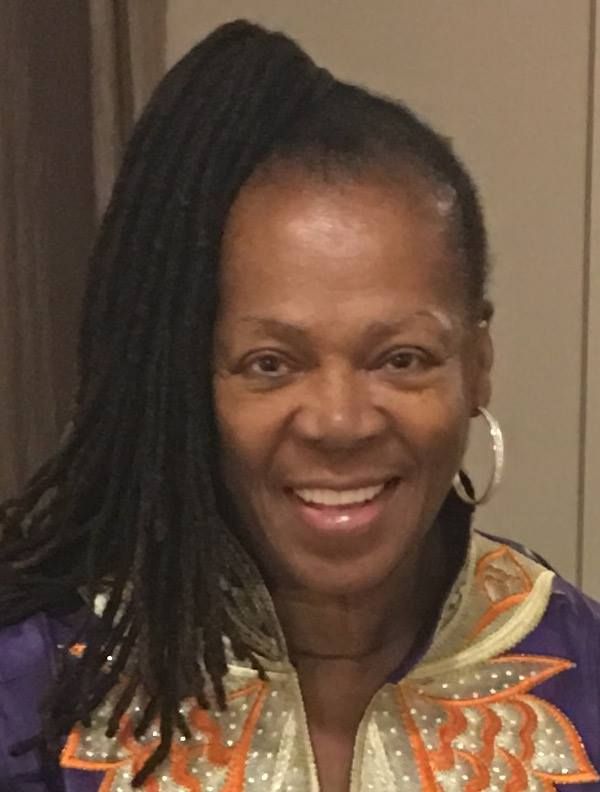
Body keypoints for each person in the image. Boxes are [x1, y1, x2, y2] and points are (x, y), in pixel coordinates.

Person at [0, 19, 598, 792]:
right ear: (193, 379)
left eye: (401, 358)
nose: (339, 422)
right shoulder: (34, 695)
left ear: (478, 364)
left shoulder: (585, 680)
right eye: (271, 364)